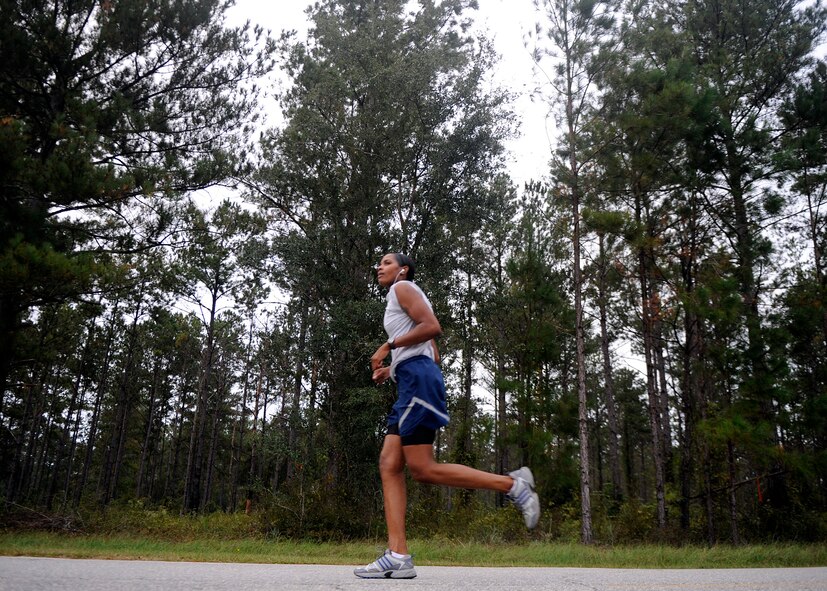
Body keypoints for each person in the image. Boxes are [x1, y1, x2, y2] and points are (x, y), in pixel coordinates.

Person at [354, 253, 540, 580]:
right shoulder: (404, 296)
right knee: (389, 463)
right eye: (378, 264)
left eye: (386, 262)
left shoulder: (403, 288)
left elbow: (432, 327)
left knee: (423, 468)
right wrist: (393, 369)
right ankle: (397, 555)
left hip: (418, 383)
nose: (379, 267)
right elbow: (433, 349)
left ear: (403, 269)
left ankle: (514, 486)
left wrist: (388, 346)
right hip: (412, 381)